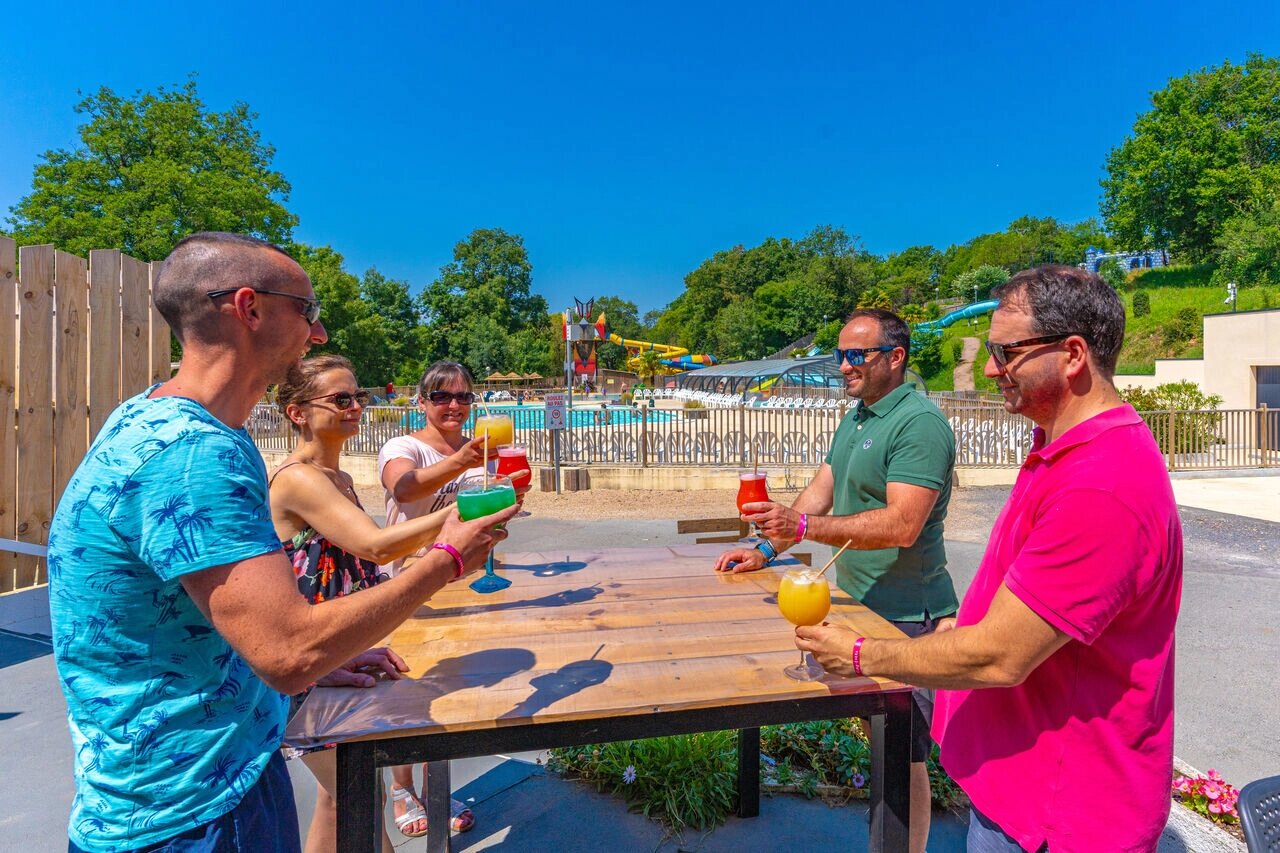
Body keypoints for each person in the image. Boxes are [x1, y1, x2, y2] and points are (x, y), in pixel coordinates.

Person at [47, 232, 515, 853]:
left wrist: (323, 660)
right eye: (307, 310)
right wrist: (449, 558)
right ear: (249, 308)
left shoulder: (163, 420)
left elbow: (224, 618)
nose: (318, 333)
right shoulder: (194, 454)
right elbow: (289, 651)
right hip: (195, 811)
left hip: (189, 783)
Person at [796, 267, 1183, 852]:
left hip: (1056, 816)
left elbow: (1001, 657)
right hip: (1025, 795)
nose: (990, 369)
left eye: (1006, 352)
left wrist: (859, 655)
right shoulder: (1065, 450)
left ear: (1072, 355)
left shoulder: (1100, 484)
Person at [714, 308, 957, 853]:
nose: (843, 366)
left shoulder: (919, 424)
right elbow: (820, 493)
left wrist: (803, 527)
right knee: (880, 741)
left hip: (905, 615)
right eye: (839, 355)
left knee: (903, 755)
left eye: (856, 355)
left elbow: (902, 525)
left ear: (895, 357)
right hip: (855, 604)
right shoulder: (858, 416)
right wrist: (765, 548)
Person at [268, 355, 472, 851]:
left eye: (358, 397)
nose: (355, 407)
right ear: (297, 413)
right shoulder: (299, 478)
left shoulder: (335, 477)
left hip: (332, 652)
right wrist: (469, 511)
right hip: (308, 656)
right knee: (354, 793)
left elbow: (378, 547)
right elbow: (376, 547)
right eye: (341, 399)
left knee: (338, 796)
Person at [379, 361, 530, 575]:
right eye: (442, 397)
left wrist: (505, 507)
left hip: (466, 568)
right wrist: (461, 461)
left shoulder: (481, 453)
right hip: (408, 569)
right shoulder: (402, 447)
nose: (454, 406)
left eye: (463, 397)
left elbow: (483, 527)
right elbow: (404, 489)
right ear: (422, 402)